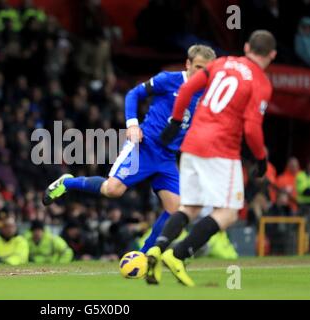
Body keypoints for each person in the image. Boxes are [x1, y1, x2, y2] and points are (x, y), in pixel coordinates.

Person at [42, 45, 216, 253]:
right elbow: (133, 94)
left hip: (167, 157)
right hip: (144, 147)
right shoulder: (168, 80)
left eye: (206, 69)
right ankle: (68, 182)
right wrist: (132, 124)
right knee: (112, 190)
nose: (201, 73)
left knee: (176, 210)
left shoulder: (207, 94)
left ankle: (144, 255)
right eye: (197, 66)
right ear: (188, 64)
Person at [145, 30, 276, 287]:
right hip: (221, 148)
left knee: (190, 207)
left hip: (192, 143)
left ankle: (157, 249)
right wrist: (260, 158)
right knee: (229, 212)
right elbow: (251, 128)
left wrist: (174, 121)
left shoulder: (222, 63)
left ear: (247, 47)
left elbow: (187, 88)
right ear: (272, 55)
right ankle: (178, 254)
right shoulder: (260, 82)